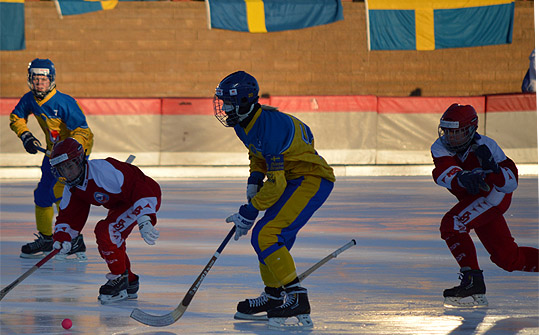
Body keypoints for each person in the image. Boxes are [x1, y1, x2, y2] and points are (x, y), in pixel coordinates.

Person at [213, 71, 336, 329]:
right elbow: (257, 154)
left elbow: (277, 184)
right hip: (292, 179)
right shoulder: (242, 123)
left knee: (266, 234)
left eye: (228, 102)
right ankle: (273, 295)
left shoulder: (271, 127)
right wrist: (254, 179)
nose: (223, 108)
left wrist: (249, 210)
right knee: (265, 238)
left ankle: (297, 298)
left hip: (310, 179)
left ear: (246, 101)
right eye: (221, 102)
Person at [431, 103, 538, 308]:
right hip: (475, 201)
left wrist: (494, 170)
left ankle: (473, 281)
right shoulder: (439, 146)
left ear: (471, 130)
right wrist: (462, 177)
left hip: (493, 197)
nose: (450, 137)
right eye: (447, 131)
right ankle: (474, 282)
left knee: (452, 224)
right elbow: (442, 174)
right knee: (507, 259)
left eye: (457, 132)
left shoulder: (488, 146)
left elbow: (510, 183)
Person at [49, 138, 161, 304]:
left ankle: (119, 279)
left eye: (70, 166)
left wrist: (144, 218)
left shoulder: (103, 171)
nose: (68, 173)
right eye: (62, 169)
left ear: (79, 161)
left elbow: (139, 187)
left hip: (144, 197)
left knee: (106, 231)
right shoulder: (73, 188)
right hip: (121, 204)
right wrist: (62, 237)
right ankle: (128, 280)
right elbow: (69, 216)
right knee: (111, 241)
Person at [9, 58, 94, 259]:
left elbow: (83, 131)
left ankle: (74, 239)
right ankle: (47, 239)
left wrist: (71, 152)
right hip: (53, 153)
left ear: (52, 80)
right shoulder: (29, 99)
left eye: (43, 80)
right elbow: (16, 117)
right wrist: (25, 135)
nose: (39, 84)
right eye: (36, 79)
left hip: (73, 153)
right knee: (42, 194)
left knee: (60, 192)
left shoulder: (65, 102)